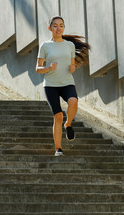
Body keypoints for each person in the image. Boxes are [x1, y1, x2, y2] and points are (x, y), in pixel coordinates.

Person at [36, 16, 90, 156]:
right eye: (55, 26)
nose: (58, 28)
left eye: (61, 25)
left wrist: (73, 68)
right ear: (50, 28)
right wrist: (48, 68)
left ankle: (69, 124)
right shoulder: (45, 46)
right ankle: (58, 149)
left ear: (63, 28)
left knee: (74, 102)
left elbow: (71, 64)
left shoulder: (69, 45)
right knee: (58, 116)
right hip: (50, 85)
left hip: (67, 82)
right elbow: (38, 68)